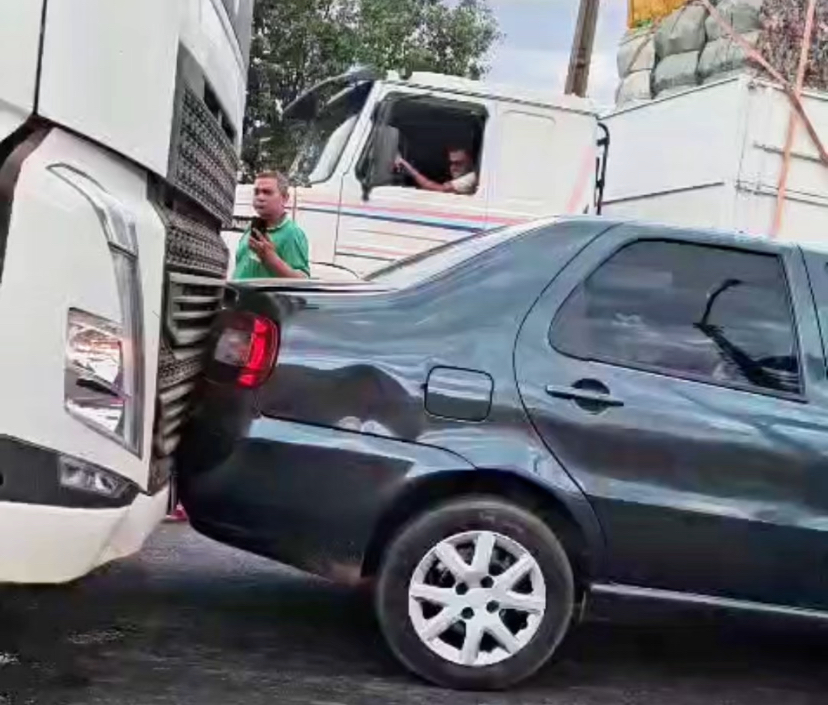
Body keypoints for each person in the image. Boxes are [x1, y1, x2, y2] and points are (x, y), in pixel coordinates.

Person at [233, 171, 310, 279]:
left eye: (267, 192)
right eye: (256, 192)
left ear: (285, 198)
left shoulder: (291, 233)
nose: (260, 197)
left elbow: (303, 281)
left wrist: (272, 260)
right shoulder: (252, 229)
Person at [394, 147, 478, 195]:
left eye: (458, 163)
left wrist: (408, 168)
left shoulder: (472, 177)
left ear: (471, 163)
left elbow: (438, 189)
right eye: (451, 163)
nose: (453, 168)